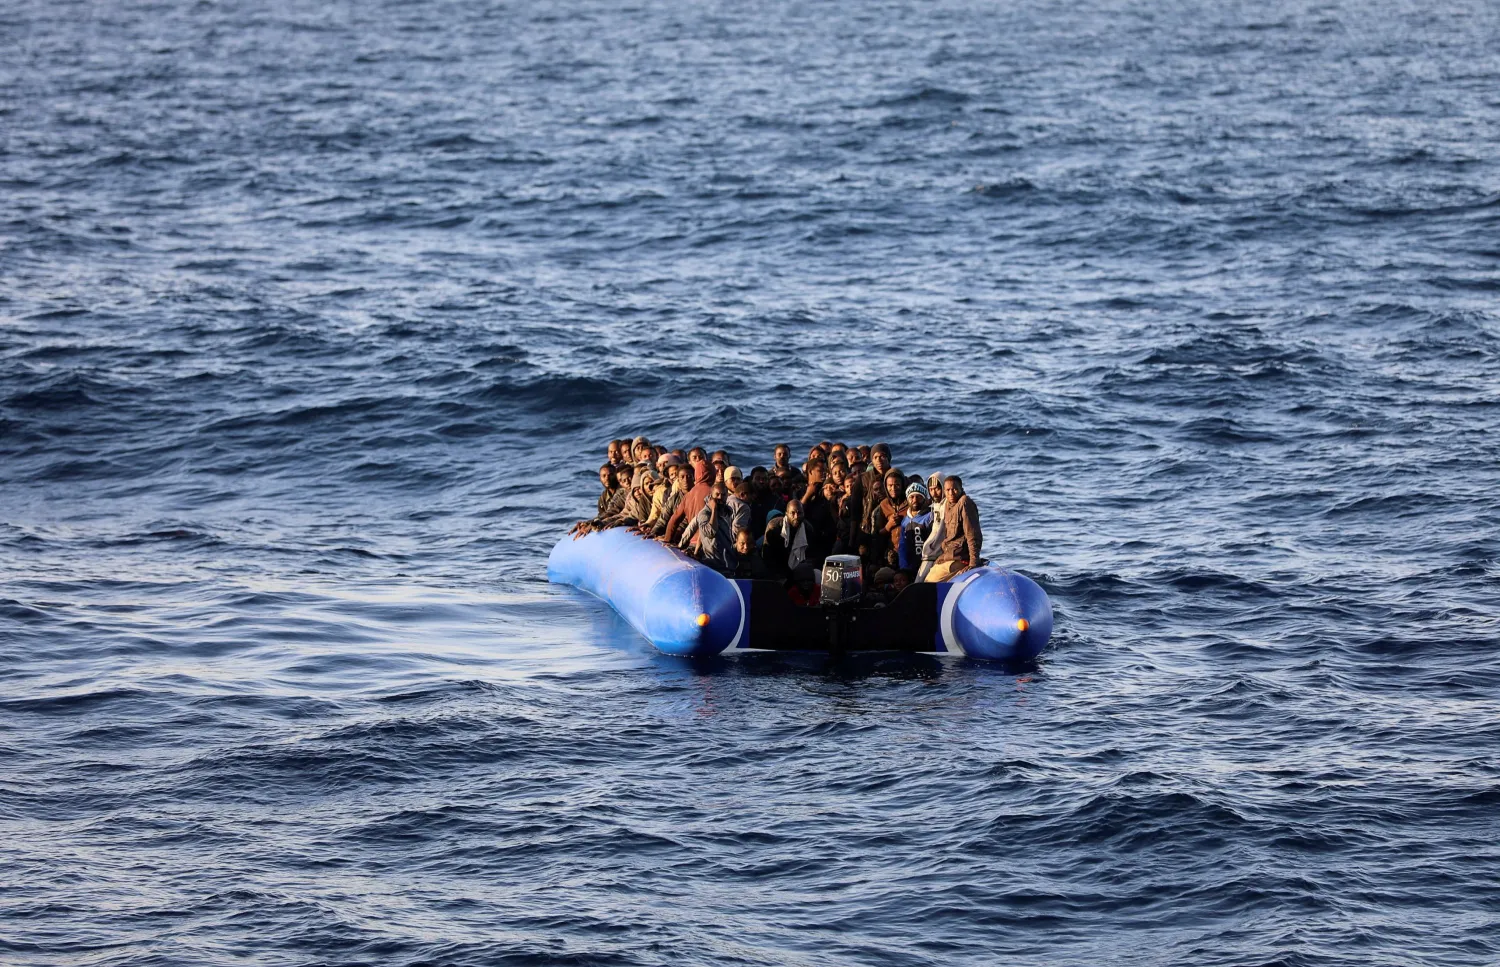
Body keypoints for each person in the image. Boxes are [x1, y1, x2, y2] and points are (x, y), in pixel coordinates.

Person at [926, 475, 982, 582]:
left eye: (955, 489)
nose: (951, 493)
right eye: (948, 490)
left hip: (960, 556)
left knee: (930, 582)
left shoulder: (964, 502)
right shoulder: (947, 504)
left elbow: (972, 534)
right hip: (948, 555)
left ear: (961, 489)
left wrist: (973, 563)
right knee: (929, 577)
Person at [680, 481, 736, 572]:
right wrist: (714, 509)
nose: (720, 498)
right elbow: (710, 532)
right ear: (711, 496)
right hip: (713, 561)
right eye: (717, 494)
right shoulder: (705, 514)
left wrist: (696, 551)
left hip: (727, 559)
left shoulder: (728, 511)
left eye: (723, 495)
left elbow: (701, 536)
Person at [894, 482, 936, 573]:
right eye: (911, 497)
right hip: (909, 567)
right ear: (907, 499)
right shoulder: (905, 521)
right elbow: (902, 546)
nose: (915, 500)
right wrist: (903, 567)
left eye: (919, 497)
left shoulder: (930, 516)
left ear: (924, 498)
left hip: (928, 564)